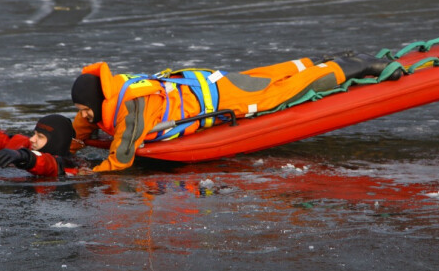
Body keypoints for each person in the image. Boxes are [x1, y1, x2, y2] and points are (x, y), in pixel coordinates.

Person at [69, 52, 403, 172]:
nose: (85, 117)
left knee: (281, 94)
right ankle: (322, 59)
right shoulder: (110, 90)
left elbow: (122, 156)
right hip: (202, 82)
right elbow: (82, 127)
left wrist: (92, 173)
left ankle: (355, 65)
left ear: (98, 101)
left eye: (86, 110)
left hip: (221, 97)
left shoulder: (130, 107)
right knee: (270, 75)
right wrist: (67, 143)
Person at [0, 114, 79, 177]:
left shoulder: (67, 167)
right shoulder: (26, 145)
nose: (32, 139)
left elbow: (47, 164)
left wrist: (24, 157)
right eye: (34, 134)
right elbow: (0, 139)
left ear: (56, 142)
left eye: (40, 137)